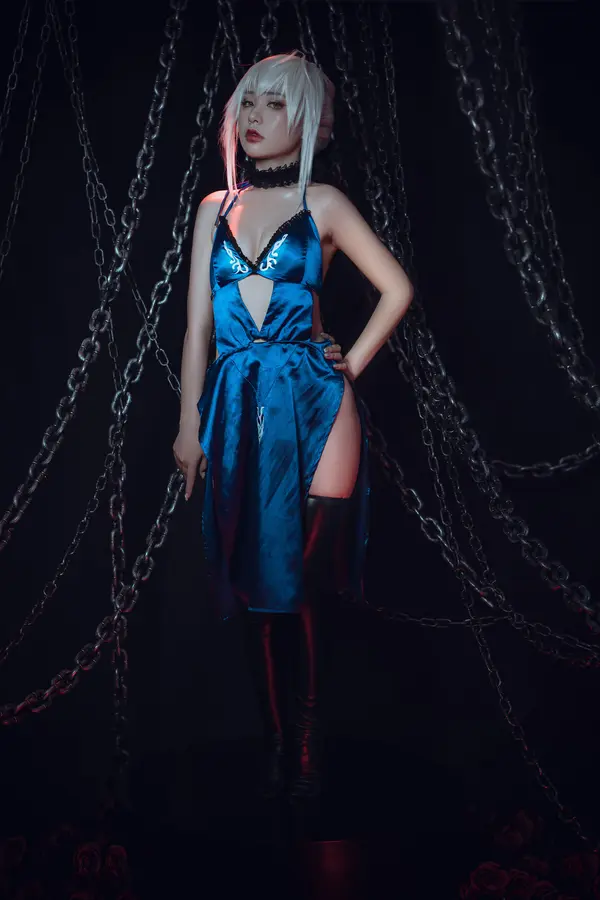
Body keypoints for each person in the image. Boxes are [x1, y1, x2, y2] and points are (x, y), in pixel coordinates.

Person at [173, 51, 413, 803]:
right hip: (237, 406)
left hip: (317, 405)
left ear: (308, 120)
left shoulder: (326, 203)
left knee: (303, 578)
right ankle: (276, 737)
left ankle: (307, 740)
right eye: (248, 101)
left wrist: (351, 364)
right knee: (258, 583)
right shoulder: (215, 207)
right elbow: (197, 329)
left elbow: (397, 288)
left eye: (274, 104)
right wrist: (187, 427)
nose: (254, 117)